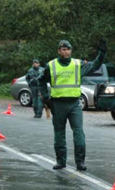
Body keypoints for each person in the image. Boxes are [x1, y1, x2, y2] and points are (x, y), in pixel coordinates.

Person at [40, 39, 107, 171]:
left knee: (79, 133)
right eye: (64, 49)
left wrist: (102, 53)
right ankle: (61, 161)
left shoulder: (77, 64)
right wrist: (46, 98)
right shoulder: (51, 65)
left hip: (74, 104)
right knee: (59, 134)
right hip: (58, 104)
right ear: (59, 51)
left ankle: (80, 162)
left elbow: (95, 65)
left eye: (68, 49)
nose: (66, 51)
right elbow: (41, 81)